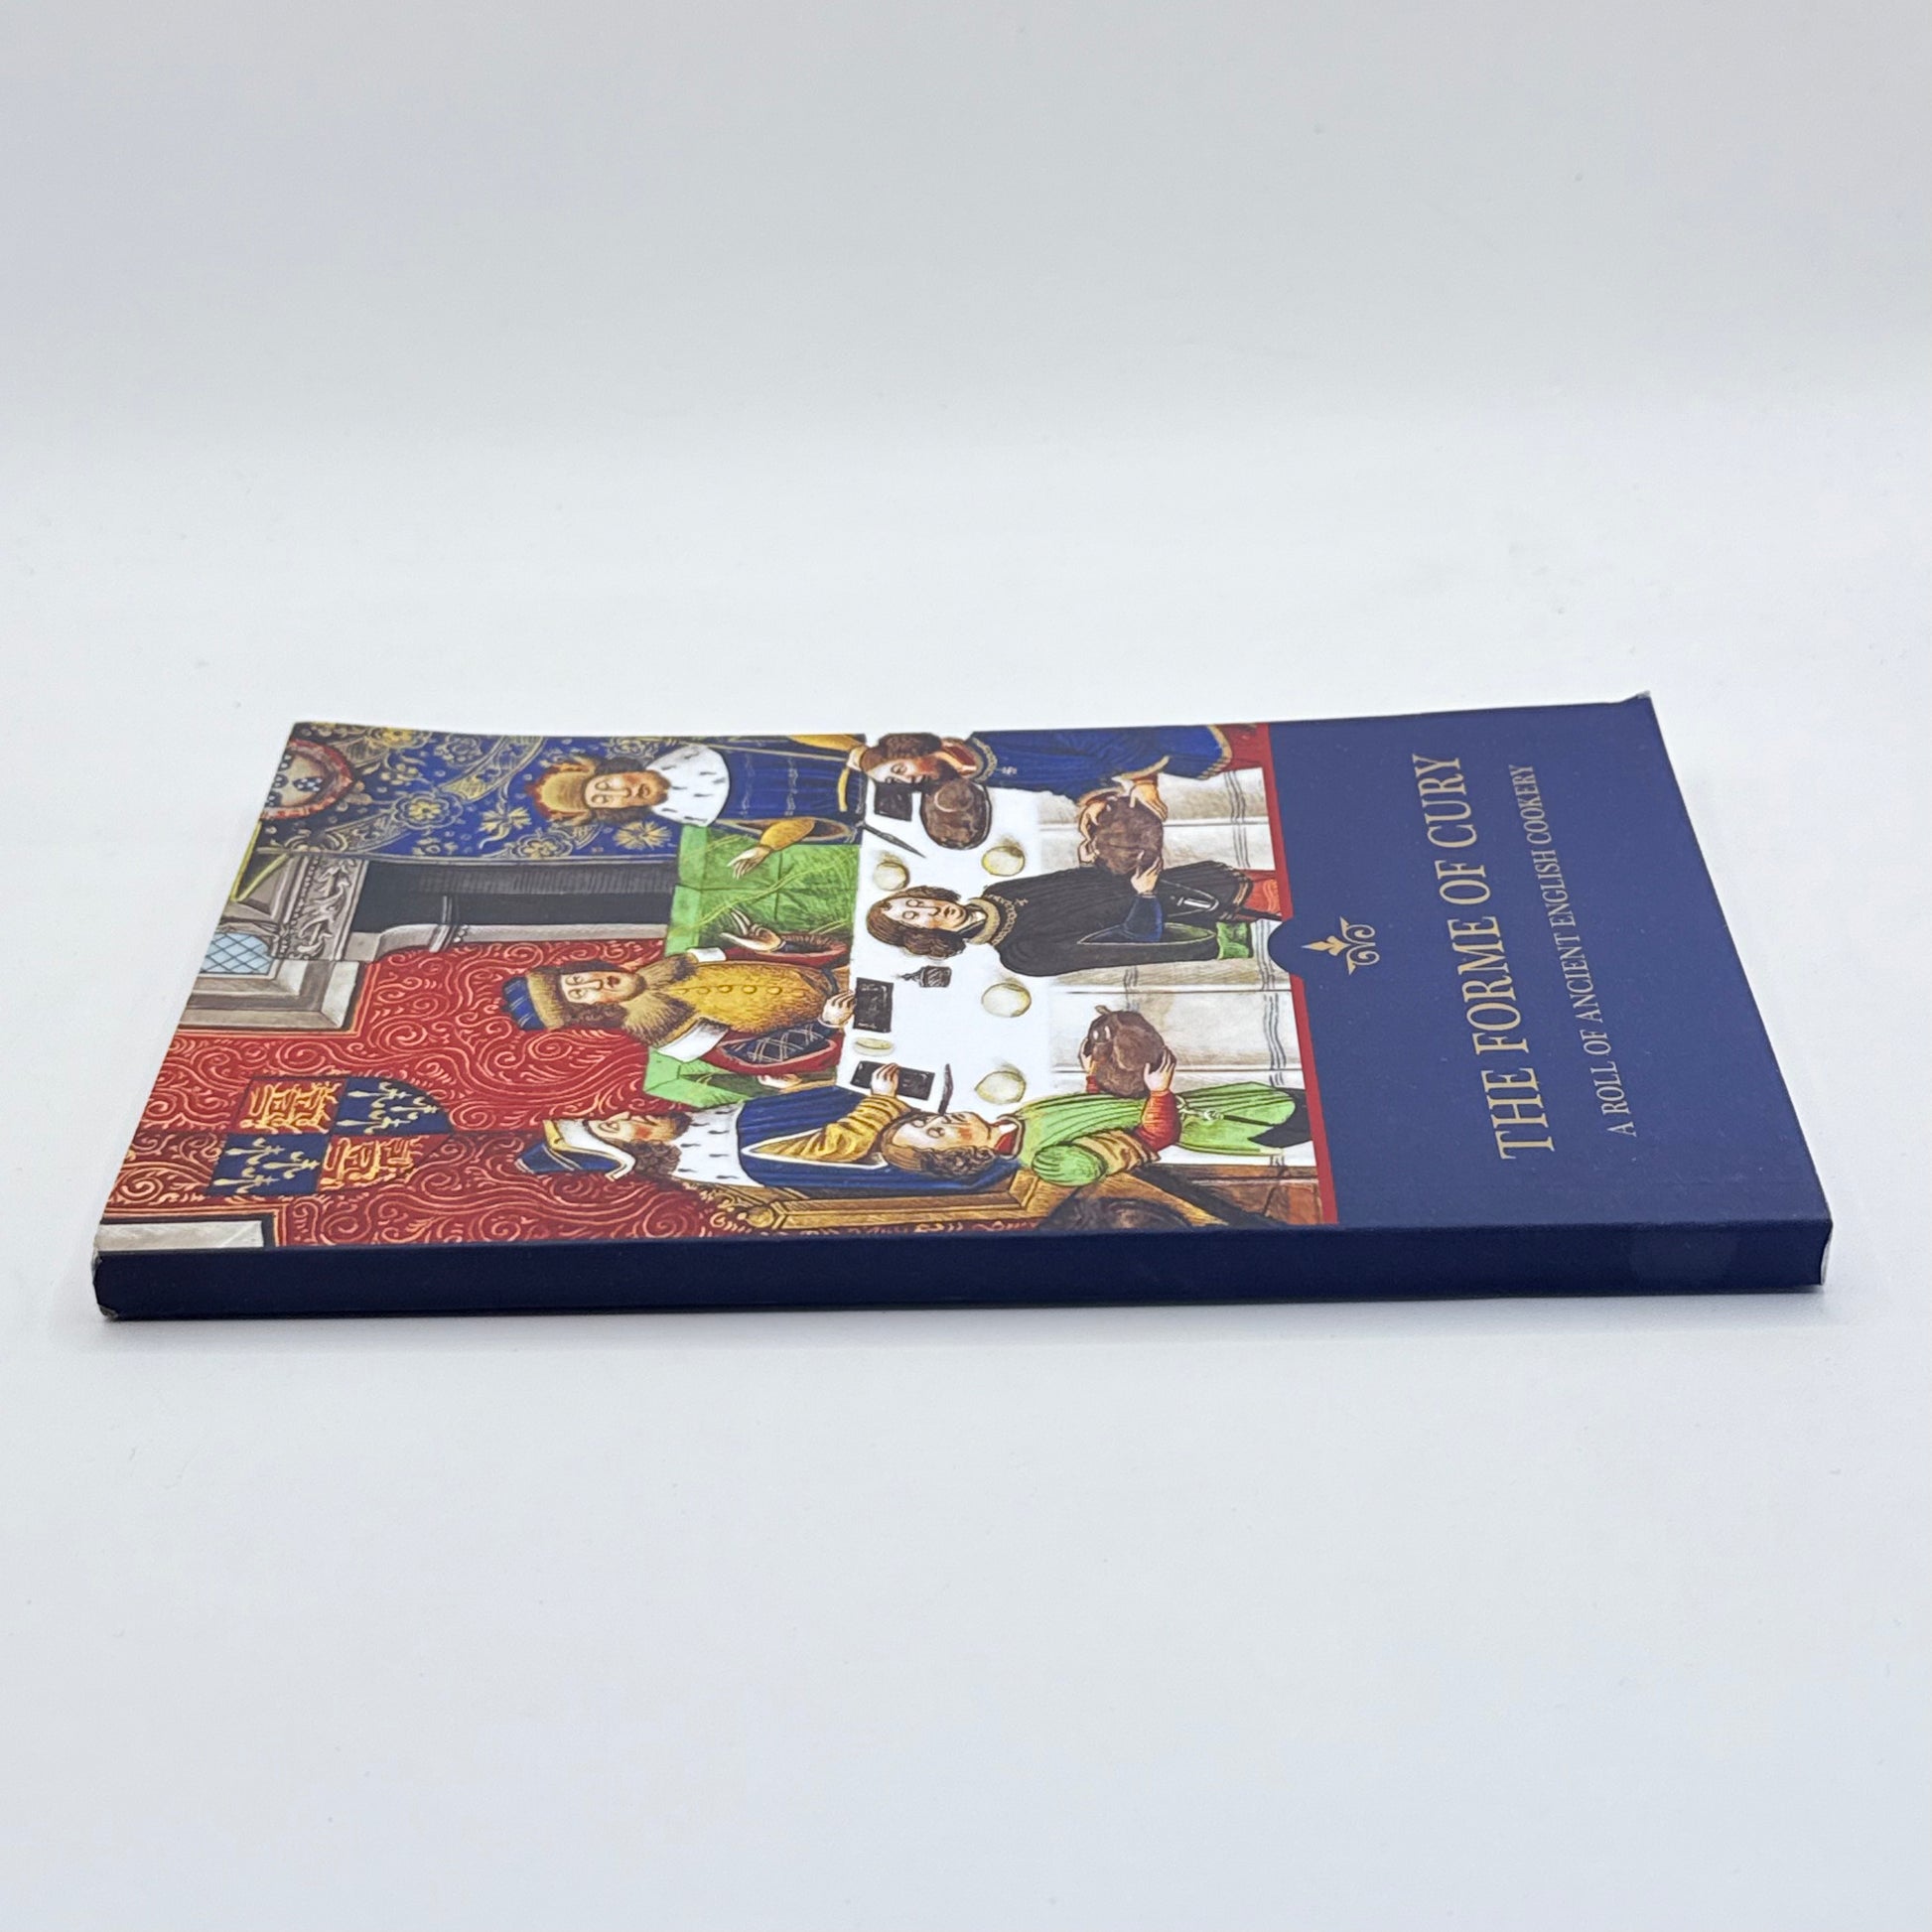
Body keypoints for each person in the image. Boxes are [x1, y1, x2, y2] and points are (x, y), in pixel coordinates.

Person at [873, 1050, 1311, 1188]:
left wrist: (1092, 1076)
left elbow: (1098, 1116)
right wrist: (1158, 1092)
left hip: (1229, 1100)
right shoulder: (1050, 1163)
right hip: (1229, 1124)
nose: (942, 1120)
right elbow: (1149, 1140)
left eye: (928, 1119)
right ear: (959, 1155)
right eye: (937, 1133)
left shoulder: (1019, 1118)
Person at [501, 930, 854, 1081]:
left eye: (578, 978)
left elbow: (759, 957)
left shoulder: (676, 964)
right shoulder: (671, 1034)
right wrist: (824, 1024)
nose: (593, 983)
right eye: (580, 994)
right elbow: (754, 1058)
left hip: (845, 974)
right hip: (850, 1017)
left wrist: (779, 946)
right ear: (592, 1011)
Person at [864, 860, 1275, 977]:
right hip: (1213, 920)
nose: (929, 909)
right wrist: (1146, 894)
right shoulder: (1021, 956)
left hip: (1206, 880)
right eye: (914, 917)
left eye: (917, 901)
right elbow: (1134, 943)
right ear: (921, 937)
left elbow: (1089, 877)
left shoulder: (1000, 891)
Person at [531, 739, 864, 876]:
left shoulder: (704, 748)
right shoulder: (701, 814)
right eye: (605, 800)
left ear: (614, 770)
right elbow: (804, 824)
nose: (621, 792)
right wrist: (765, 847)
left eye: (606, 785)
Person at [853, 725, 1265, 813]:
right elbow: (1062, 780)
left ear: (915, 748)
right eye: (897, 781)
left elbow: (1094, 735)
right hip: (1184, 761)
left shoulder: (990, 735)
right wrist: (1091, 802)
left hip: (1185, 738)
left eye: (899, 768)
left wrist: (1142, 780)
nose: (907, 779)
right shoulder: (982, 775)